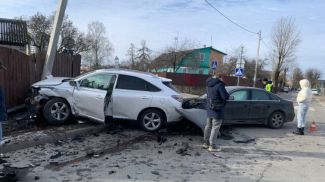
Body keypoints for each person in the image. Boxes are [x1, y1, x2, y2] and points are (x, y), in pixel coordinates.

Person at [203, 71, 229, 152]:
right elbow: (224, 96)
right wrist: (228, 95)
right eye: (223, 78)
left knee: (208, 126)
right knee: (215, 127)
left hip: (209, 108)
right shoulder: (220, 85)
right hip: (217, 109)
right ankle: (212, 146)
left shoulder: (208, 84)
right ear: (220, 77)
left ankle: (206, 143)